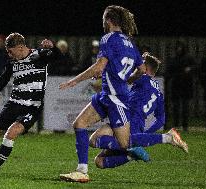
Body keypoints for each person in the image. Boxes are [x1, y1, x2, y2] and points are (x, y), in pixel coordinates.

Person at [59, 5, 147, 182]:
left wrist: (74, 80)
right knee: (80, 124)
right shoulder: (130, 42)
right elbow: (142, 70)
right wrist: (125, 79)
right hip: (107, 95)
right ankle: (82, 171)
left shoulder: (108, 38)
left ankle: (132, 150)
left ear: (108, 21)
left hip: (116, 99)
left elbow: (99, 66)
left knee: (122, 144)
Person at [89, 53, 188, 169]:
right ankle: (131, 154)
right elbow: (161, 120)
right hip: (138, 126)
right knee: (100, 161)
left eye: (140, 65)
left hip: (126, 119)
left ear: (145, 68)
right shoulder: (159, 93)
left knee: (93, 140)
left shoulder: (143, 78)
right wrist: (143, 135)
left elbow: (122, 78)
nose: (137, 67)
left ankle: (166, 138)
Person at [0, 32, 59, 179]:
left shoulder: (40, 55)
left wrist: (53, 47)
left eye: (10, 52)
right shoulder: (13, 62)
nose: (9, 55)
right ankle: (10, 134)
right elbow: (5, 77)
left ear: (20, 47)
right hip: (13, 104)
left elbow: (58, 57)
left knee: (11, 133)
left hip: (32, 106)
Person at [166, 41, 196, 132]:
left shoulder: (188, 58)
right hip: (176, 85)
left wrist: (189, 69)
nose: (179, 49)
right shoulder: (174, 59)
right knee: (176, 107)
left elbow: (195, 67)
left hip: (186, 84)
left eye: (180, 47)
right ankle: (176, 124)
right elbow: (169, 71)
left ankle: (185, 125)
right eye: (178, 47)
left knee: (185, 106)